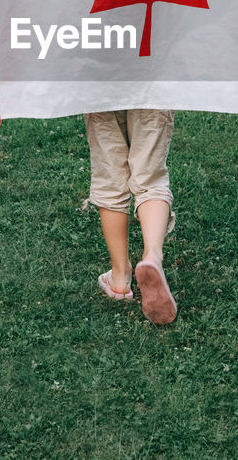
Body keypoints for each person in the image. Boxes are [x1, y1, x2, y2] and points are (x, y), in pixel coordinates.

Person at [85, 108, 178, 324]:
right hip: (150, 79)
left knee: (110, 176)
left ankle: (119, 278)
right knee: (150, 178)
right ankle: (152, 256)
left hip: (100, 81)